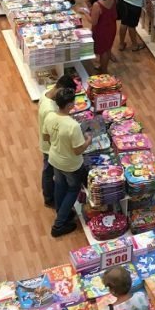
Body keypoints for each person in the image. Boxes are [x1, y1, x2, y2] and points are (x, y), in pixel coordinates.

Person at [45, 87, 91, 237]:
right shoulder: (73, 126)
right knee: (73, 190)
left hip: (54, 159)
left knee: (60, 185)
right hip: (70, 165)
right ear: (70, 105)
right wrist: (88, 140)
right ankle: (59, 224)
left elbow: (46, 138)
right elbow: (78, 150)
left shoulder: (50, 116)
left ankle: (61, 211)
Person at [38, 74, 77, 208]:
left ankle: (51, 196)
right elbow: (51, 132)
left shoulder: (45, 95)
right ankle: (50, 198)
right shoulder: (50, 111)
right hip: (50, 146)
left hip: (48, 143)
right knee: (49, 172)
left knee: (48, 171)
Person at [89, 0, 118, 74]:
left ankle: (104, 71)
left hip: (101, 30)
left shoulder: (97, 5)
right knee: (107, 47)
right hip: (111, 26)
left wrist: (85, 13)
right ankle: (103, 67)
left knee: (103, 51)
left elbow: (94, 22)